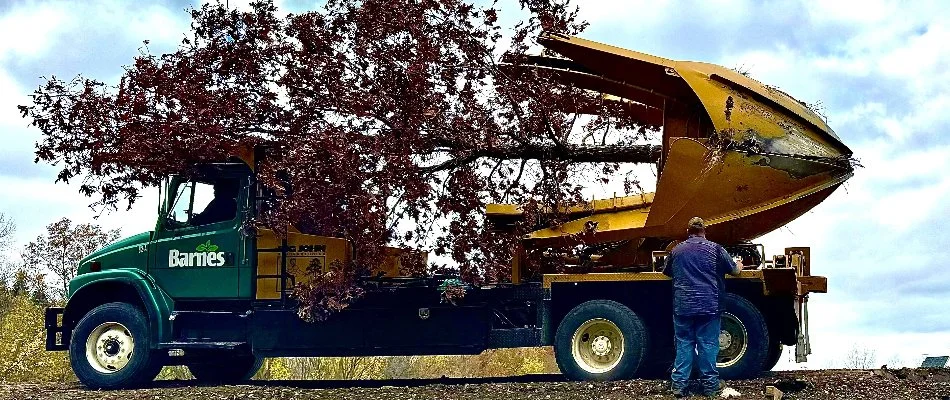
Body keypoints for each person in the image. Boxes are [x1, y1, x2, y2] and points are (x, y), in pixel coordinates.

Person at [662, 216, 742, 398]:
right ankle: (710, 386)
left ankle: (679, 386)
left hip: (683, 306)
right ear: (704, 231)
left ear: (687, 231)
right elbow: (735, 271)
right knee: (707, 345)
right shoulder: (715, 249)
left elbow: (666, 272)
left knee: (684, 344)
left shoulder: (676, 251)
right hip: (709, 305)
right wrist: (739, 264)